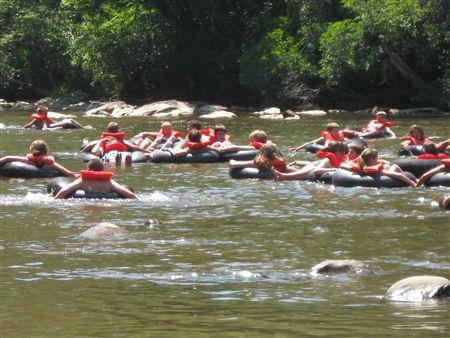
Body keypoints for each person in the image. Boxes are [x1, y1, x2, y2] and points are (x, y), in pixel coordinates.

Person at [54, 158, 136, 199]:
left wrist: (55, 201)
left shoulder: (82, 181)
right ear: (102, 170)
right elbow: (130, 194)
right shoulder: (109, 182)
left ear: (88, 170)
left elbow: (64, 191)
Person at [273, 142, 349, 181]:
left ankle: (289, 168)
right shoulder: (328, 159)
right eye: (341, 151)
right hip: (311, 169)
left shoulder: (342, 159)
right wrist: (334, 169)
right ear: (334, 152)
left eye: (344, 152)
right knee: (311, 170)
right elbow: (316, 171)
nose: (343, 153)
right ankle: (284, 176)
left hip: (309, 165)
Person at [0, 139, 75, 177]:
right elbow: (68, 173)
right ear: (46, 151)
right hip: (45, 177)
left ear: (32, 150)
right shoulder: (51, 164)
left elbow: (8, 158)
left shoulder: (28, 161)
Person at [344, 148, 416, 187]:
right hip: (386, 179)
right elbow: (399, 175)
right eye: (377, 158)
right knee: (394, 166)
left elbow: (344, 166)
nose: (378, 160)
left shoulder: (361, 167)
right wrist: (412, 183)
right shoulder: (379, 170)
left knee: (387, 165)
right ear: (373, 159)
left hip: (368, 181)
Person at [289, 122, 357, 152]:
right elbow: (310, 143)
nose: (337, 132)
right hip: (321, 147)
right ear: (329, 132)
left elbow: (346, 144)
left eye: (338, 130)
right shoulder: (324, 139)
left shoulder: (341, 137)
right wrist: (297, 148)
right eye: (335, 131)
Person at [23, 105, 92, 130]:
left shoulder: (36, 120)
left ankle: (83, 127)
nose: (47, 114)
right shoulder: (43, 120)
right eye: (46, 113)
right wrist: (58, 128)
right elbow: (45, 128)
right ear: (41, 113)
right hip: (54, 127)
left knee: (68, 120)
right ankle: (84, 128)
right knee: (70, 120)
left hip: (54, 124)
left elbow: (26, 126)